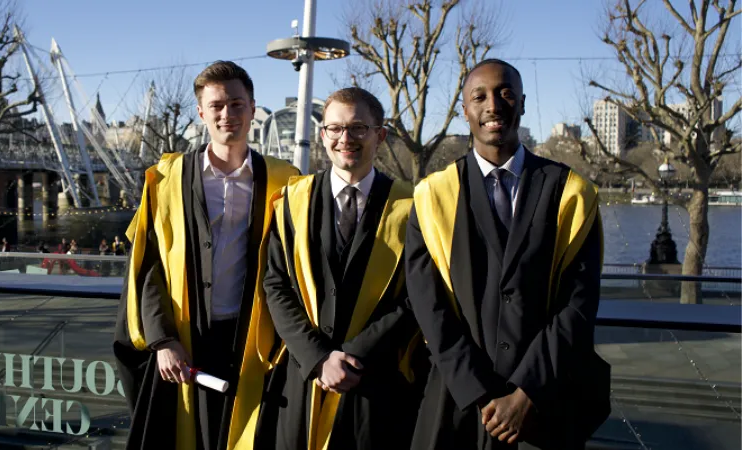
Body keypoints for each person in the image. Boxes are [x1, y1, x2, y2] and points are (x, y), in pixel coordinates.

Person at [405, 59, 609, 450]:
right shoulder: (433, 196)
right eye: (478, 96)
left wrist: (525, 392)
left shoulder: (570, 192)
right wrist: (480, 392)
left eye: (505, 93)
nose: (493, 105)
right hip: (458, 401)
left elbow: (579, 302)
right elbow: (428, 305)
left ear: (523, 103)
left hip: (545, 403)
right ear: (465, 110)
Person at [113, 60, 298, 450]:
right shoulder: (166, 179)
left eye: (236, 104)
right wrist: (162, 340)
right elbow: (148, 268)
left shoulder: (286, 180)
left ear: (252, 107)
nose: (226, 114)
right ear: (201, 112)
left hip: (254, 338)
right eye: (216, 106)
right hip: (184, 337)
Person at [243, 87, 419, 450]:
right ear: (322, 135)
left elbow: (417, 295)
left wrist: (356, 355)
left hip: (376, 381)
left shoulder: (411, 205)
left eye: (358, 128)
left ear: (379, 135)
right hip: (303, 376)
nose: (345, 139)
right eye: (335, 129)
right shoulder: (293, 200)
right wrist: (319, 357)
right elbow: (276, 284)